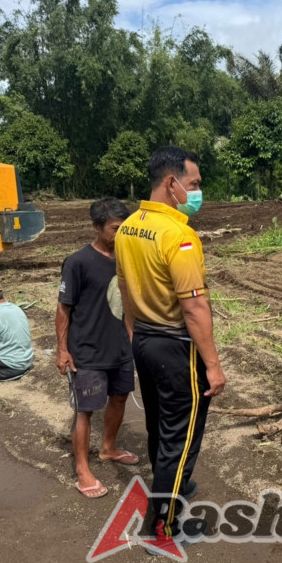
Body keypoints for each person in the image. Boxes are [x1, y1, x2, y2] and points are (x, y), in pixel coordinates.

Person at [115, 147, 225, 542]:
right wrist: (212, 364)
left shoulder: (129, 227)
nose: (197, 192)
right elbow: (194, 306)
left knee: (160, 425)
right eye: (193, 184)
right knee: (181, 438)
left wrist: (132, 332)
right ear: (171, 183)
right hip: (177, 347)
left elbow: (125, 287)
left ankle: (175, 485)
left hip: (145, 340)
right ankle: (162, 529)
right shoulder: (179, 236)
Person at [56, 197, 138, 500]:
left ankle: (108, 448)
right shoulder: (78, 262)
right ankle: (82, 469)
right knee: (86, 409)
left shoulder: (127, 260)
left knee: (119, 399)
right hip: (87, 350)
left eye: (125, 228)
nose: (121, 234)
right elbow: (63, 309)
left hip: (120, 348)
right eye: (116, 228)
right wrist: (62, 350)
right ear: (97, 227)